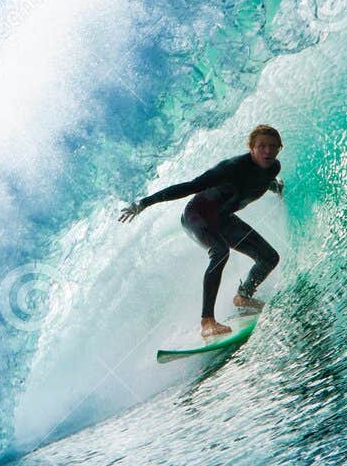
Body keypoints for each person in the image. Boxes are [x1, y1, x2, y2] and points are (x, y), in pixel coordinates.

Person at [119, 125, 285, 339]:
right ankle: (207, 321)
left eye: (273, 147)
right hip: (197, 216)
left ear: (280, 148)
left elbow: (259, 181)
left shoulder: (273, 168)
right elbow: (190, 186)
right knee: (220, 251)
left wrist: (276, 188)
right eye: (261, 146)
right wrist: (144, 203)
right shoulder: (231, 167)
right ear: (251, 147)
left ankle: (243, 297)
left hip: (223, 219)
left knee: (269, 258)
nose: (268, 151)